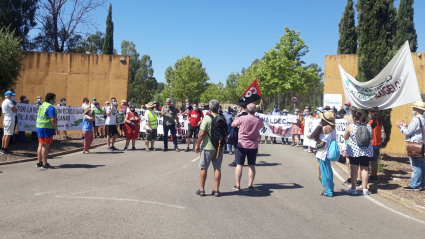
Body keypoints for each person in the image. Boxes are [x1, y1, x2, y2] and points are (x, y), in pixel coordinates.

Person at [195, 99, 226, 197]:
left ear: (209, 108)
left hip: (208, 146)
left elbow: (202, 133)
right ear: (218, 107)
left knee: (204, 167)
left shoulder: (207, 118)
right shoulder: (222, 117)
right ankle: (216, 190)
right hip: (219, 147)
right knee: (217, 168)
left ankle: (202, 189)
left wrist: (197, 145)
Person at [231, 103, 264, 191]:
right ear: (255, 111)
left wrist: (237, 118)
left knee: (239, 165)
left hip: (242, 144)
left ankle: (238, 185)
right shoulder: (259, 120)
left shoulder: (242, 118)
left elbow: (233, 124)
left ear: (247, 110)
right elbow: (262, 126)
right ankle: (250, 185)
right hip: (253, 145)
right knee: (251, 165)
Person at [397, 101, 425, 191]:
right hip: (421, 144)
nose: (413, 110)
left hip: (415, 145)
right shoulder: (423, 119)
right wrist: (407, 126)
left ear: (417, 109)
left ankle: (414, 185)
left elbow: (408, 132)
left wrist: (401, 127)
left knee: (416, 166)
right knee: (421, 165)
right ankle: (422, 184)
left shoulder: (416, 119)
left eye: (414, 108)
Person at [344, 111, 373, 195]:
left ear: (354, 118)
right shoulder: (368, 126)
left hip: (354, 151)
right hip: (366, 151)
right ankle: (365, 189)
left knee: (354, 170)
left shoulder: (351, 126)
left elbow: (345, 137)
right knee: (365, 169)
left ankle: (353, 188)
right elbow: (371, 137)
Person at [315, 111, 336, 197]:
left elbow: (314, 137)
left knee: (323, 173)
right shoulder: (332, 128)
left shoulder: (324, 128)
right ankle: (329, 189)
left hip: (322, 152)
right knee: (328, 171)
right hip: (327, 152)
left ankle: (328, 190)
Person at [35, 93, 58, 169]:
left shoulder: (43, 105)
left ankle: (39, 162)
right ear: (51, 99)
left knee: (40, 145)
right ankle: (45, 163)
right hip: (46, 128)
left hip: (39, 127)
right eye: (54, 98)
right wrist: (56, 128)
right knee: (46, 146)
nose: (55, 100)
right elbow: (53, 119)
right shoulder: (50, 107)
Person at [228, 102, 249, 167]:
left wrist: (235, 118)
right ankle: (240, 160)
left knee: (237, 148)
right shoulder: (249, 114)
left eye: (239, 107)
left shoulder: (240, 115)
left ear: (241, 107)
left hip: (238, 133)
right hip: (246, 133)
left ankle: (237, 161)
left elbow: (234, 125)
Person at [368, 108, 382, 180]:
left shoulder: (372, 121)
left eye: (370, 112)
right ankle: (374, 174)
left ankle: (373, 175)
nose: (369, 113)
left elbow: (366, 128)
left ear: (373, 113)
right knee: (375, 160)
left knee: (372, 160)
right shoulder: (378, 121)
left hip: (373, 143)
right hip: (378, 142)